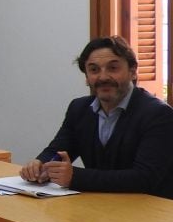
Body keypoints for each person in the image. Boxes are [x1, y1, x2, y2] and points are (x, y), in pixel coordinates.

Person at [19, 36, 173, 197]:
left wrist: (75, 177)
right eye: (94, 70)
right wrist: (40, 165)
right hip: (99, 206)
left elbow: (145, 178)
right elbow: (58, 150)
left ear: (133, 71)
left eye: (113, 68)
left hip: (150, 213)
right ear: (86, 77)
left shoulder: (159, 115)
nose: (103, 77)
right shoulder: (79, 109)